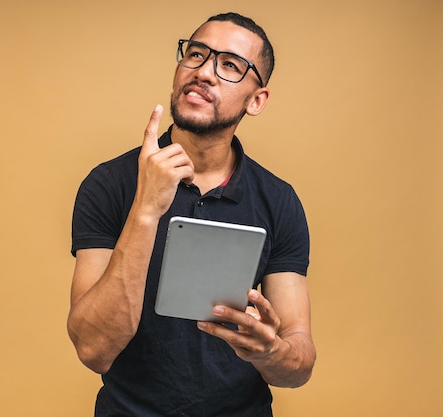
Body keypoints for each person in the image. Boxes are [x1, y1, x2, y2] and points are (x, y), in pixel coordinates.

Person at [68, 12, 316, 417]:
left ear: (257, 100)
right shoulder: (109, 183)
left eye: (230, 65)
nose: (204, 72)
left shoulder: (279, 200)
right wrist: (146, 208)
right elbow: (94, 350)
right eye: (197, 54)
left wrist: (270, 350)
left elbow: (299, 363)